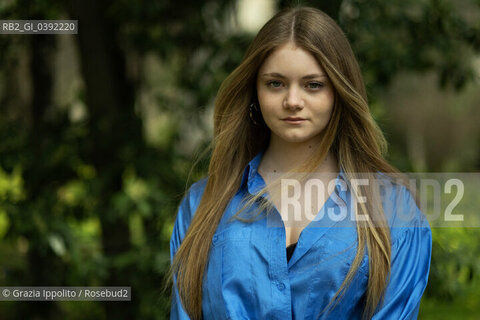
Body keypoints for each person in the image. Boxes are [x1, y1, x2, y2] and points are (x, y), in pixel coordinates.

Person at [167, 6, 432, 320]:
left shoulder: (394, 210)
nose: (293, 100)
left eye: (313, 85)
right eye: (275, 83)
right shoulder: (202, 205)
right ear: (255, 91)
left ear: (339, 92)